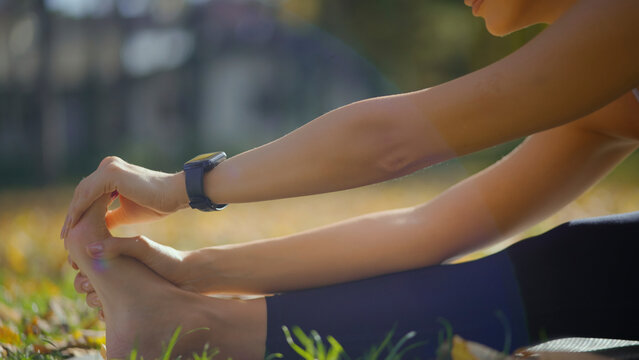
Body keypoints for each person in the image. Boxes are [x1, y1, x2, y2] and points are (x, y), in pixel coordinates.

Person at [62, 0, 639, 358]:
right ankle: (196, 323)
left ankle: (207, 332)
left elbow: (387, 143)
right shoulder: (605, 104)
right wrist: (195, 272)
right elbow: (426, 229)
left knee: (583, 264)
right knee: (585, 262)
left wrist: (183, 187)